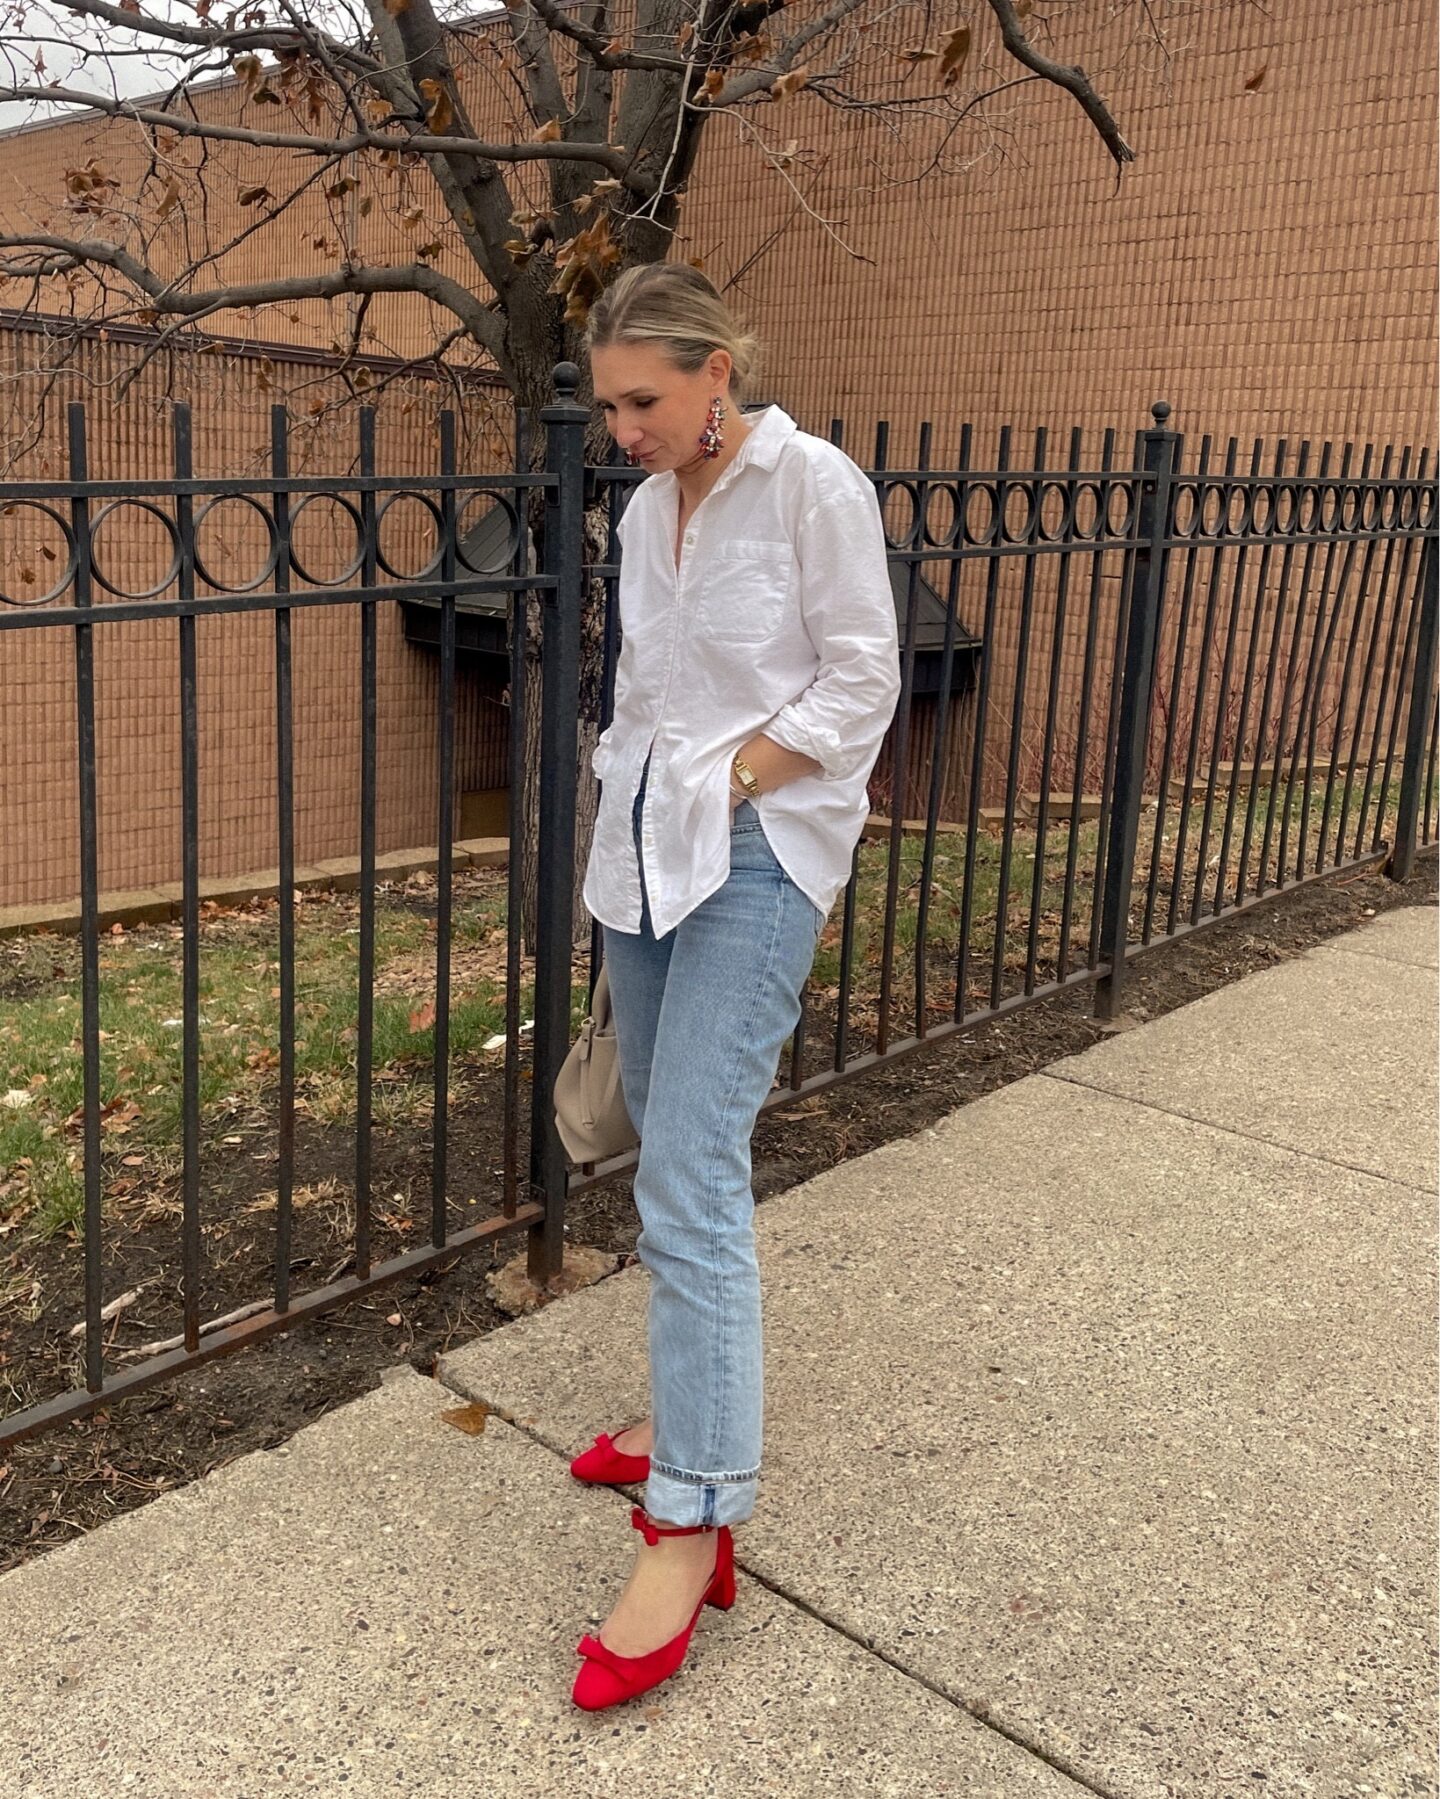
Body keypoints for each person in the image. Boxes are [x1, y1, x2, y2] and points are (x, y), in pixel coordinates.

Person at [568, 263, 901, 1711]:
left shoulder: (813, 483)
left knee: (693, 1168)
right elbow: (648, 687)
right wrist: (642, 793)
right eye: (609, 406)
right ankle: (689, 1408)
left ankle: (693, 1515)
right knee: (656, 1126)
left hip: (757, 853)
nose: (624, 429)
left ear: (718, 372)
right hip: (644, 846)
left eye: (643, 400)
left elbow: (861, 681)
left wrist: (738, 781)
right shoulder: (648, 511)